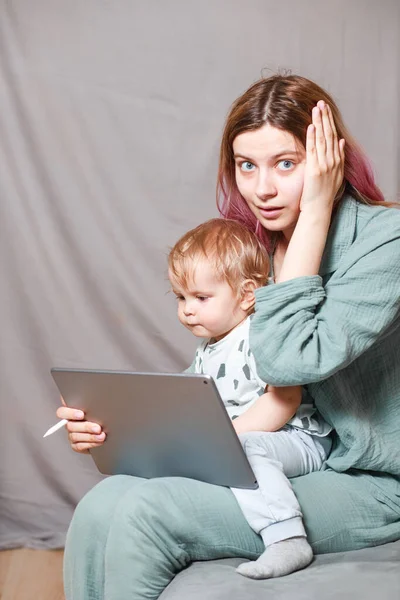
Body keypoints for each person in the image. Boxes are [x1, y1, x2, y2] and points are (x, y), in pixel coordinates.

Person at [57, 74, 400, 600]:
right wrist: (119, 427)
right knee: (103, 503)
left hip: (369, 481)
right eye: (247, 165)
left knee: (145, 516)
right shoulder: (253, 249)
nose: (262, 189)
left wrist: (315, 215)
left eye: (286, 163)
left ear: (329, 159)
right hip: (275, 455)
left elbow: (289, 363)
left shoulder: (385, 243)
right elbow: (223, 375)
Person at [167, 218, 333, 579]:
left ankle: (287, 538)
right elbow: (191, 393)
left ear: (246, 295)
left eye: (200, 297)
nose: (187, 309)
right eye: (181, 298)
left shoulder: (260, 332)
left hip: (298, 437)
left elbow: (284, 401)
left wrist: (228, 437)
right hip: (247, 436)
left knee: (246, 450)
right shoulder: (209, 346)